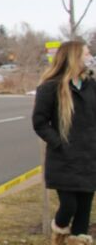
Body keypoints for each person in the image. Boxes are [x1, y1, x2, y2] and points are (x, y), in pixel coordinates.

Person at [33, 41, 96, 245]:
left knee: (84, 210)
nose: (90, 57)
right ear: (74, 57)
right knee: (69, 206)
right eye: (86, 53)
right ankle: (59, 233)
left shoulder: (91, 85)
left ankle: (78, 239)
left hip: (89, 159)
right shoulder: (50, 88)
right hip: (64, 161)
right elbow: (40, 122)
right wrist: (59, 143)